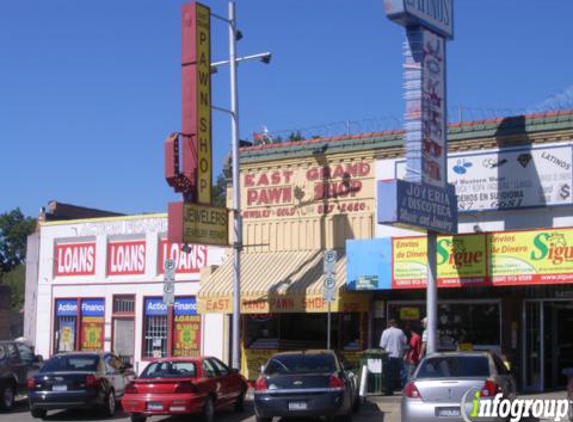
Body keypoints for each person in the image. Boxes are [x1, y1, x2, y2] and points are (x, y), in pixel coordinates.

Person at [380, 319, 407, 395]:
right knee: (402, 373)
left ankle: (389, 390)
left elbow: (382, 345)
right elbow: (405, 341)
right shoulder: (400, 331)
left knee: (389, 373)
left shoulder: (385, 332)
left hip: (389, 355)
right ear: (395, 324)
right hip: (399, 355)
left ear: (389, 324)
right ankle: (404, 389)